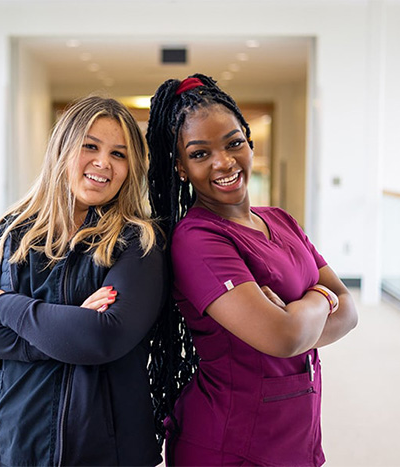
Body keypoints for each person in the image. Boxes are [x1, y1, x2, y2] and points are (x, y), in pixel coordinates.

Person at [146, 74, 358, 466]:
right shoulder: (197, 240)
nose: (223, 162)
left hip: (297, 429)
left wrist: (303, 310)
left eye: (233, 143)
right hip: (232, 439)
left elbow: (349, 310)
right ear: (179, 168)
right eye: (200, 154)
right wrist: (315, 301)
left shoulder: (281, 220)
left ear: (249, 140)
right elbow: (282, 337)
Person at [0, 95, 166, 466]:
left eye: (119, 154)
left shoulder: (138, 241)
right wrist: (63, 331)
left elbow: (101, 337)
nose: (103, 163)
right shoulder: (11, 232)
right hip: (12, 438)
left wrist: (1, 303)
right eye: (90, 146)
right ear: (62, 150)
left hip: (103, 450)